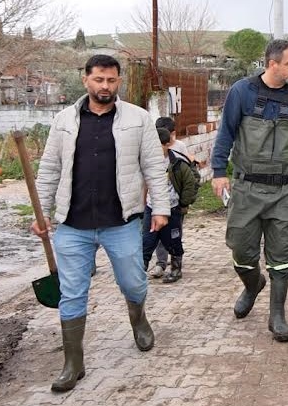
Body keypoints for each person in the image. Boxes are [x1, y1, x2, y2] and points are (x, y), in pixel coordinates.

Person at [32, 54, 170, 392]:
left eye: (111, 81)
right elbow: (49, 168)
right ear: (86, 80)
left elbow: (154, 166)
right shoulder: (64, 120)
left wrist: (161, 207)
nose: (104, 86)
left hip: (120, 222)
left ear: (118, 81)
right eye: (98, 80)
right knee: (72, 293)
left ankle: (138, 318)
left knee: (134, 283)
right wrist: (42, 212)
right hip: (72, 224)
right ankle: (72, 363)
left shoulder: (138, 119)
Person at [210, 39, 288, 343]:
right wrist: (218, 172)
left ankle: (277, 316)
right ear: (273, 64)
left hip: (285, 190)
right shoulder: (242, 91)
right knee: (241, 249)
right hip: (247, 187)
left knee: (282, 254)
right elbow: (226, 132)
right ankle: (253, 284)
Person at [143, 117, 199, 283]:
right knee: (146, 240)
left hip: (172, 208)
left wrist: (184, 204)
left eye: (159, 145)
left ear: (168, 145)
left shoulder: (178, 163)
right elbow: (142, 183)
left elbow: (191, 183)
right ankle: (140, 271)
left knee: (173, 240)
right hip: (150, 207)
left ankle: (176, 269)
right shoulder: (146, 161)